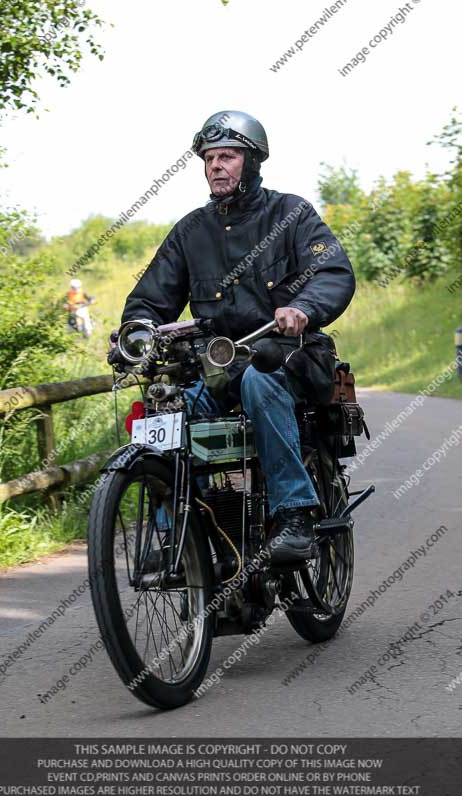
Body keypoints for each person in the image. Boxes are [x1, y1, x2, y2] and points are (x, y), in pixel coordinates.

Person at [120, 110, 355, 564]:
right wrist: (137, 332)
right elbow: (151, 297)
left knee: (259, 380)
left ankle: (295, 516)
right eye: (209, 159)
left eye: (227, 156)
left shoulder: (291, 213)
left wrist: (302, 309)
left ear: (252, 162)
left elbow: (332, 272)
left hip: (289, 357)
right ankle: (175, 533)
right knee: (163, 411)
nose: (216, 166)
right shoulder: (192, 231)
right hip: (218, 368)